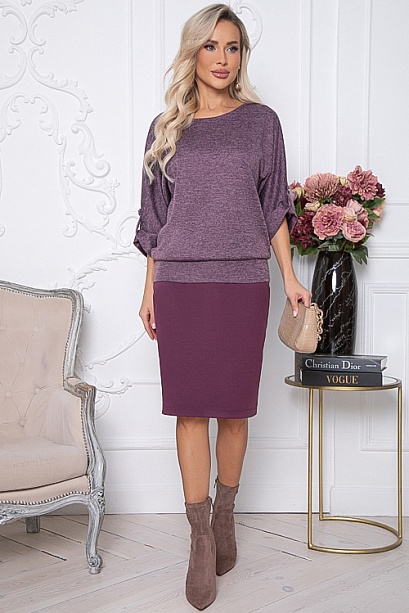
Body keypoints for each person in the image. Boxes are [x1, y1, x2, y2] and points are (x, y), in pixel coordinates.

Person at [134, 4, 311, 610]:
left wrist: (290, 277)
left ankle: (226, 515)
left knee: (234, 411)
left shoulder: (261, 123)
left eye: (232, 47)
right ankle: (199, 538)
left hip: (241, 281)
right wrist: (149, 289)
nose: (222, 58)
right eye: (211, 46)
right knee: (189, 411)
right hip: (180, 283)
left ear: (242, 56)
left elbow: (274, 205)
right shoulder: (166, 127)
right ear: (193, 52)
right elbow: (154, 220)